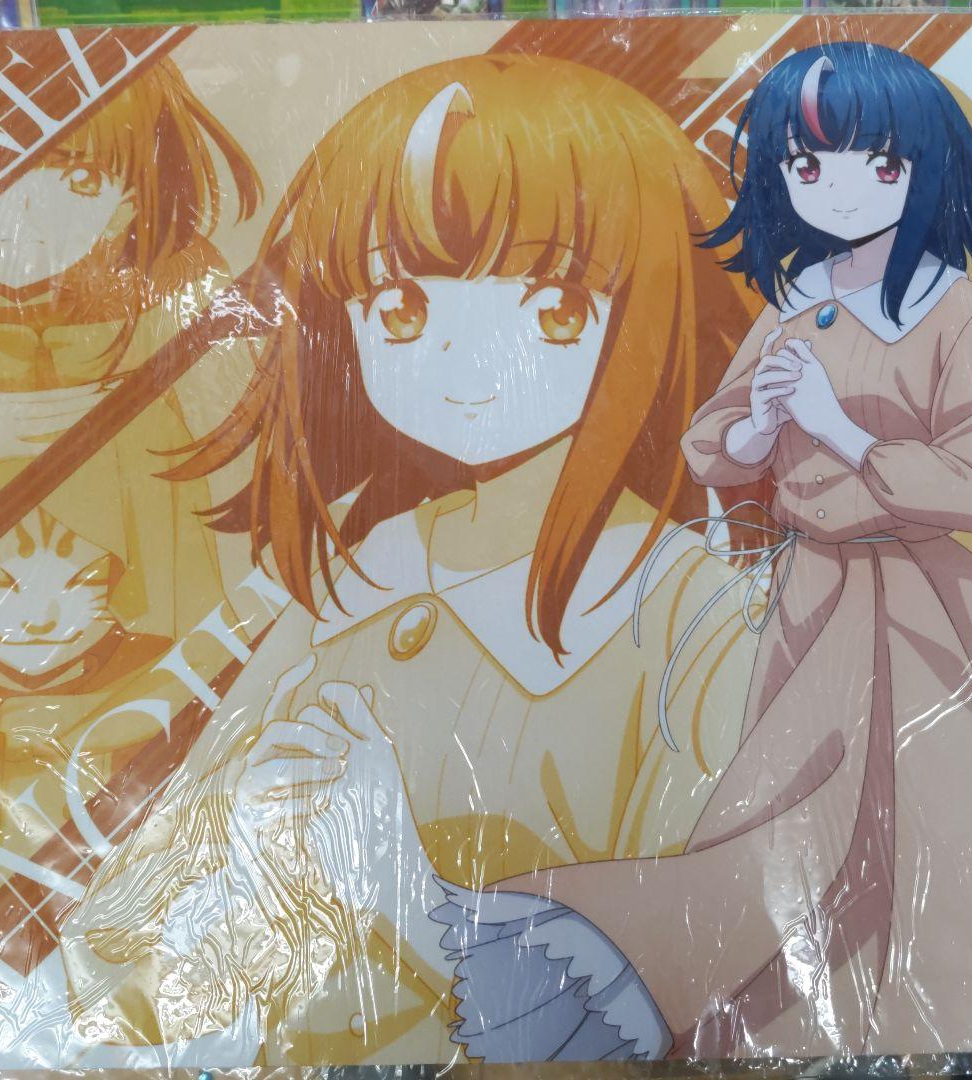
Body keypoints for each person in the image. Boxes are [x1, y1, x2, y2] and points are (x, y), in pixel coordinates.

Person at [56, 53, 766, 1066]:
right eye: (400, 311)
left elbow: (686, 995)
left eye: (554, 308)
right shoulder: (365, 563)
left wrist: (406, 888)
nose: (464, 362)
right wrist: (234, 857)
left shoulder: (692, 617)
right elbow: (129, 926)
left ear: (648, 307)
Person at [419, 42, 972, 1060]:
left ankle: (945, 1015)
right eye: (807, 165)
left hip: (932, 616)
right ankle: (782, 1012)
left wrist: (842, 432)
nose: (837, 189)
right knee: (793, 813)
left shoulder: (960, 315)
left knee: (928, 817)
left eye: (877, 162)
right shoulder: (799, 303)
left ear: (924, 168)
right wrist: (759, 429)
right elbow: (713, 441)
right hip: (813, 598)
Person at [0, 58, 261, 918]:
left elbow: (249, 437)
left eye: (80, 181)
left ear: (133, 198)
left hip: (136, 670)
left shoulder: (170, 298)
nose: (26, 212)